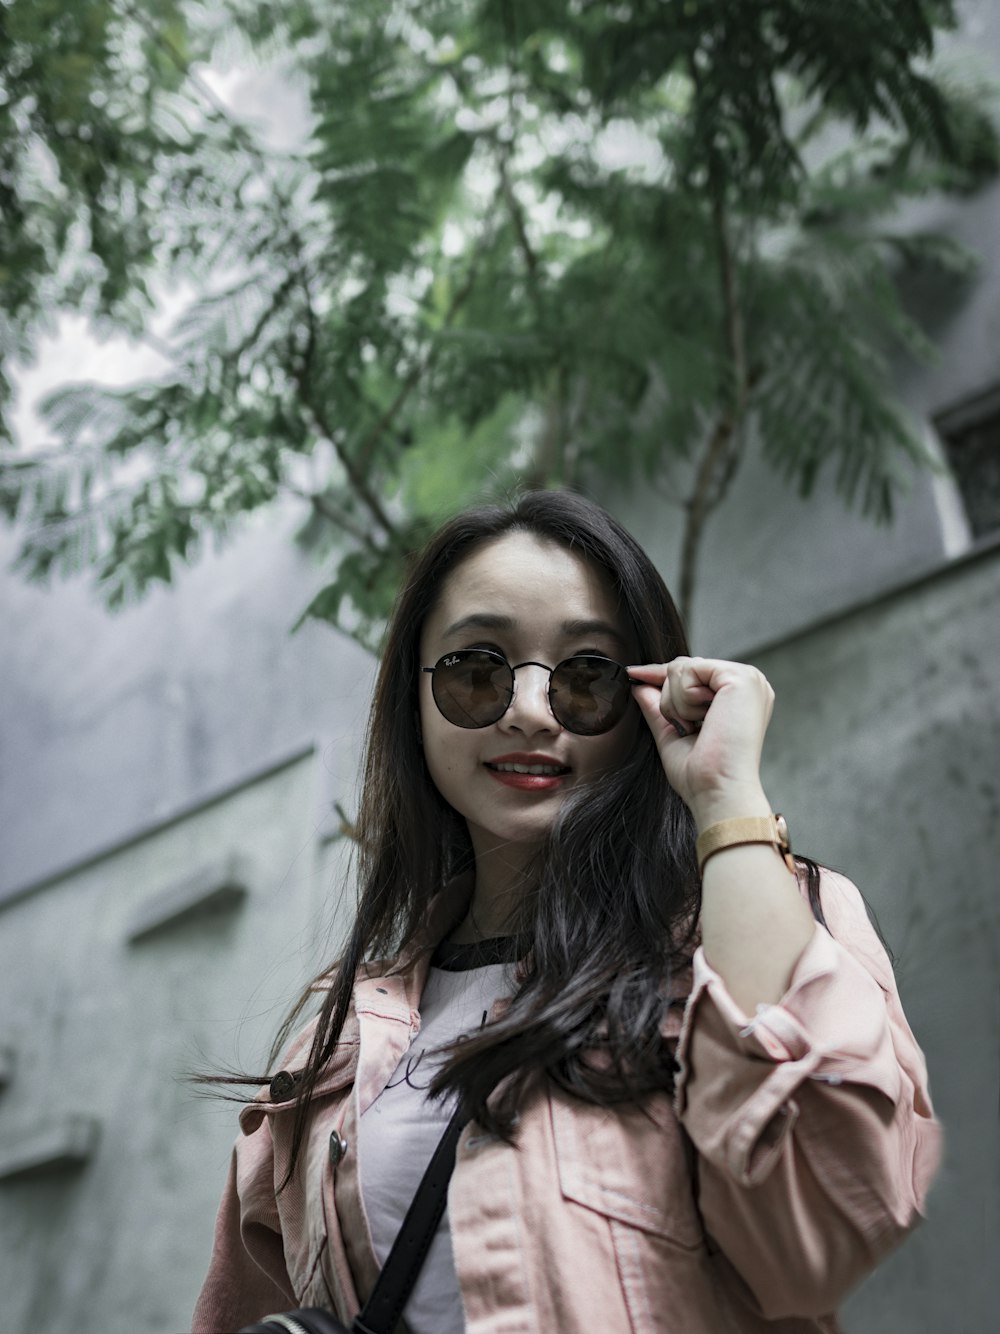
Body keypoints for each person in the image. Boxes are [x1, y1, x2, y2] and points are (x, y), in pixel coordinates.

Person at [192, 490, 941, 1334]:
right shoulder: (333, 1049)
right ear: (414, 699)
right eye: (478, 669)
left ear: (642, 705)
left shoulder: (768, 914)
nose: (530, 711)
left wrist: (726, 797)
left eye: (587, 678)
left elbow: (820, 1236)